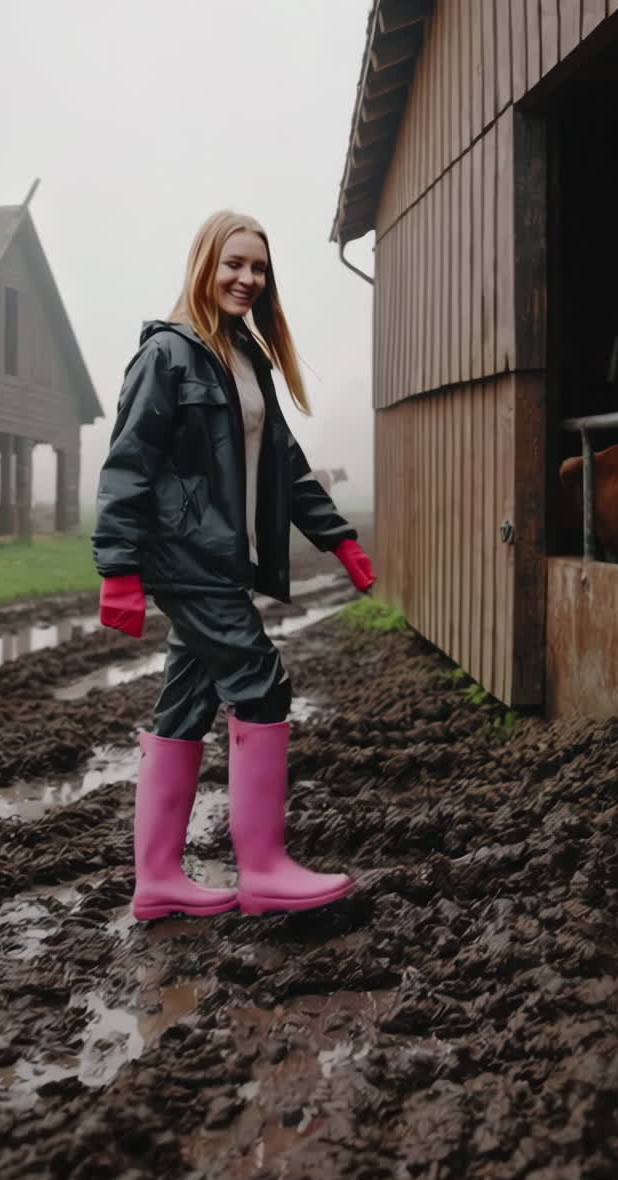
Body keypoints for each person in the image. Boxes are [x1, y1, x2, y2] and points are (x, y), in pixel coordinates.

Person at [92, 211, 375, 921]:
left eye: (259, 269)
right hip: (186, 557)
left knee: (185, 705)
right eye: (234, 264)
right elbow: (128, 463)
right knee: (262, 684)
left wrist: (339, 539)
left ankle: (158, 880)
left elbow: (284, 462)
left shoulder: (246, 358)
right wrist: (118, 569)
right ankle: (264, 868)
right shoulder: (167, 355)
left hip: (222, 559)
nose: (247, 279)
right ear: (204, 266)